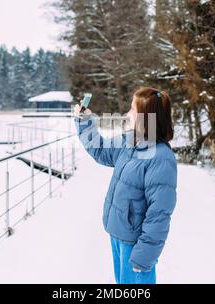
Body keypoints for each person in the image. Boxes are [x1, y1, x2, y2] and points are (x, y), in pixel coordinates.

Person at [73, 87, 178, 284]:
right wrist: (84, 122)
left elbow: (160, 213)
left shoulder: (161, 158)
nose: (127, 114)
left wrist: (144, 255)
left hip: (136, 245)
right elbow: (101, 150)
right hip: (119, 234)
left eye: (132, 109)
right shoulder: (130, 141)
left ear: (146, 117)